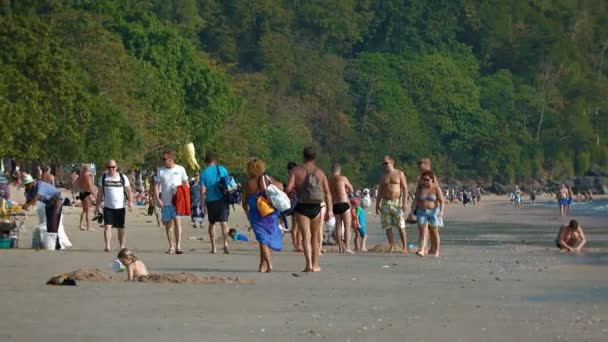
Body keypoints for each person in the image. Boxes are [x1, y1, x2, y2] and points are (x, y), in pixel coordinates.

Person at [286, 147, 333, 272]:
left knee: (306, 236)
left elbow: (288, 188)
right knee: (315, 236)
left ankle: (308, 265)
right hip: (316, 207)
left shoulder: (296, 171)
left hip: (301, 206)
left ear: (303, 156)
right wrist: (329, 210)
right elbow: (328, 193)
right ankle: (316, 264)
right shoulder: (320, 173)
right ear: (314, 157)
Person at [241, 158, 283, 272]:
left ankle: (269, 264)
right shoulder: (267, 179)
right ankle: (262, 265)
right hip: (269, 212)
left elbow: (244, 202)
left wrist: (247, 215)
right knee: (263, 239)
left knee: (262, 239)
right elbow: (280, 187)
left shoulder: (248, 183)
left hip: (256, 214)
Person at [95, 160, 132, 252]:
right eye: (109, 167)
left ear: (116, 167)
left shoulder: (123, 177)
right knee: (107, 226)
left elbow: (128, 191)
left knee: (120, 227)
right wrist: (97, 206)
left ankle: (122, 246)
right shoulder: (103, 178)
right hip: (108, 207)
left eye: (113, 167)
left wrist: (130, 202)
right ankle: (107, 246)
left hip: (120, 207)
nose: (111, 169)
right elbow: (100, 193)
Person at [156, 150, 189, 254]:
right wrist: (158, 199)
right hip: (165, 202)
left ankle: (178, 245)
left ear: (171, 159)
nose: (164, 161)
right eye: (163, 159)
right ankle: (171, 246)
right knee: (168, 225)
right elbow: (156, 186)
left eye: (165, 159)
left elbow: (187, 184)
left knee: (178, 222)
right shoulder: (161, 171)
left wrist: (179, 189)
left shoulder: (180, 169)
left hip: (177, 202)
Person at [200, 153, 232, 254]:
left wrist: (202, 204)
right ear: (215, 161)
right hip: (222, 199)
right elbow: (228, 182)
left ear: (206, 162)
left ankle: (213, 247)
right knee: (224, 223)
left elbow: (202, 191)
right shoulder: (221, 169)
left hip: (211, 200)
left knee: (211, 224)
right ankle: (225, 244)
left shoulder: (203, 173)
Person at [376, 155, 408, 253]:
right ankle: (392, 245)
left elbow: (405, 188)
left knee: (400, 225)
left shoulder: (399, 173)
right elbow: (380, 191)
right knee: (387, 226)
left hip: (396, 202)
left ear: (392, 162)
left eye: (386, 163)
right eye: (383, 164)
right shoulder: (383, 176)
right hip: (385, 202)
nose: (385, 165)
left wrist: (404, 202)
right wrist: (377, 204)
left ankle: (405, 247)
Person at [22, 174, 63, 249]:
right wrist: (25, 205)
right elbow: (29, 200)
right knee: (49, 223)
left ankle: (56, 244)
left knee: (53, 223)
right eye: (25, 185)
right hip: (48, 203)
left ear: (32, 182)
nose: (26, 186)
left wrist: (27, 205)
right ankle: (54, 243)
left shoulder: (40, 185)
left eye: (28, 185)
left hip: (56, 200)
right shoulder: (29, 189)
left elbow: (36, 198)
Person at [413, 171, 445, 257]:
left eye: (427, 180)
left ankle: (437, 251)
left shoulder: (436, 188)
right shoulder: (420, 188)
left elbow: (442, 200)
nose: (425, 181)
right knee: (423, 231)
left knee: (434, 231)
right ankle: (422, 250)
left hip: (433, 212)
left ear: (432, 179)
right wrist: (411, 212)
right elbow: (416, 200)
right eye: (423, 179)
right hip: (421, 211)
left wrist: (441, 212)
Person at [328, 163, 355, 254]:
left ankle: (340, 247)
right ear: (339, 170)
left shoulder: (329, 180)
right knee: (347, 226)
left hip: (335, 204)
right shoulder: (342, 178)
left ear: (332, 170)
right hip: (344, 202)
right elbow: (351, 189)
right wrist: (346, 191)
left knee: (338, 226)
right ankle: (347, 246)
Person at [286, 161, 302, 252]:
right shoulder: (294, 177)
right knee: (298, 225)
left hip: (291, 201)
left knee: (295, 225)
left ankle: (296, 244)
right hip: (296, 201)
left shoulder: (289, 177)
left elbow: (287, 189)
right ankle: (297, 244)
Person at [76, 165, 96, 231]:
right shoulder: (87, 177)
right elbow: (90, 187)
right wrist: (95, 195)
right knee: (88, 211)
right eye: (90, 169)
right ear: (88, 170)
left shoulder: (80, 177)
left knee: (84, 210)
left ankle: (81, 225)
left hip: (82, 193)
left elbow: (77, 185)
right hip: (86, 194)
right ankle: (88, 226)